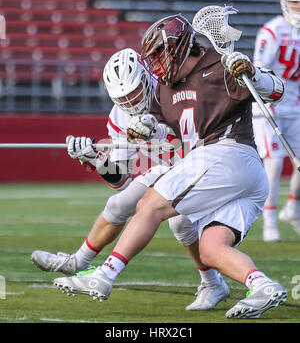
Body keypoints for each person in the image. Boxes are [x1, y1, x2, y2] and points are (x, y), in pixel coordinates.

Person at [52, 14, 287, 319]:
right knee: (211, 249)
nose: (156, 65)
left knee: (150, 205)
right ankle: (263, 286)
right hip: (235, 174)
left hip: (228, 153)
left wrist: (253, 75)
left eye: (159, 55)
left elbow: (277, 90)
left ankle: (103, 276)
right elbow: (169, 131)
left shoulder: (219, 65)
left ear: (177, 48)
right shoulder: (165, 88)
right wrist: (147, 128)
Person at [31, 48, 230, 311]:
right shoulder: (119, 116)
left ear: (147, 78)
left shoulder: (173, 90)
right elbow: (120, 178)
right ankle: (79, 262)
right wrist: (93, 158)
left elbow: (195, 139)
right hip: (166, 166)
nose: (131, 102)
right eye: (123, 97)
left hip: (198, 162)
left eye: (135, 92)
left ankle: (212, 282)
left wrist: (156, 133)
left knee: (180, 223)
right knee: (118, 203)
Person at [252, 0, 300, 242]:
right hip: (271, 105)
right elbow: (259, 69)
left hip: (296, 105)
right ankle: (269, 221)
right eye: (294, 3)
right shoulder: (273, 30)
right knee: (275, 160)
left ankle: (292, 208)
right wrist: (268, 100)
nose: (298, 9)